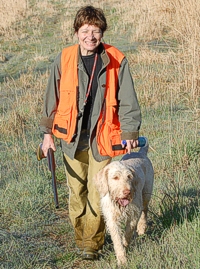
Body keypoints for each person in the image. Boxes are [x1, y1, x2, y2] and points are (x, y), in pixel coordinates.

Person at [39, 5, 141, 261]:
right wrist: (47, 134)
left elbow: (128, 101)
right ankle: (81, 236)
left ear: (102, 32)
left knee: (99, 193)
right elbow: (52, 98)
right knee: (77, 193)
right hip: (71, 139)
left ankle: (91, 245)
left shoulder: (117, 59)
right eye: (85, 31)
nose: (90, 36)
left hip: (103, 139)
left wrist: (130, 133)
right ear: (76, 32)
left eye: (96, 31)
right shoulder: (63, 59)